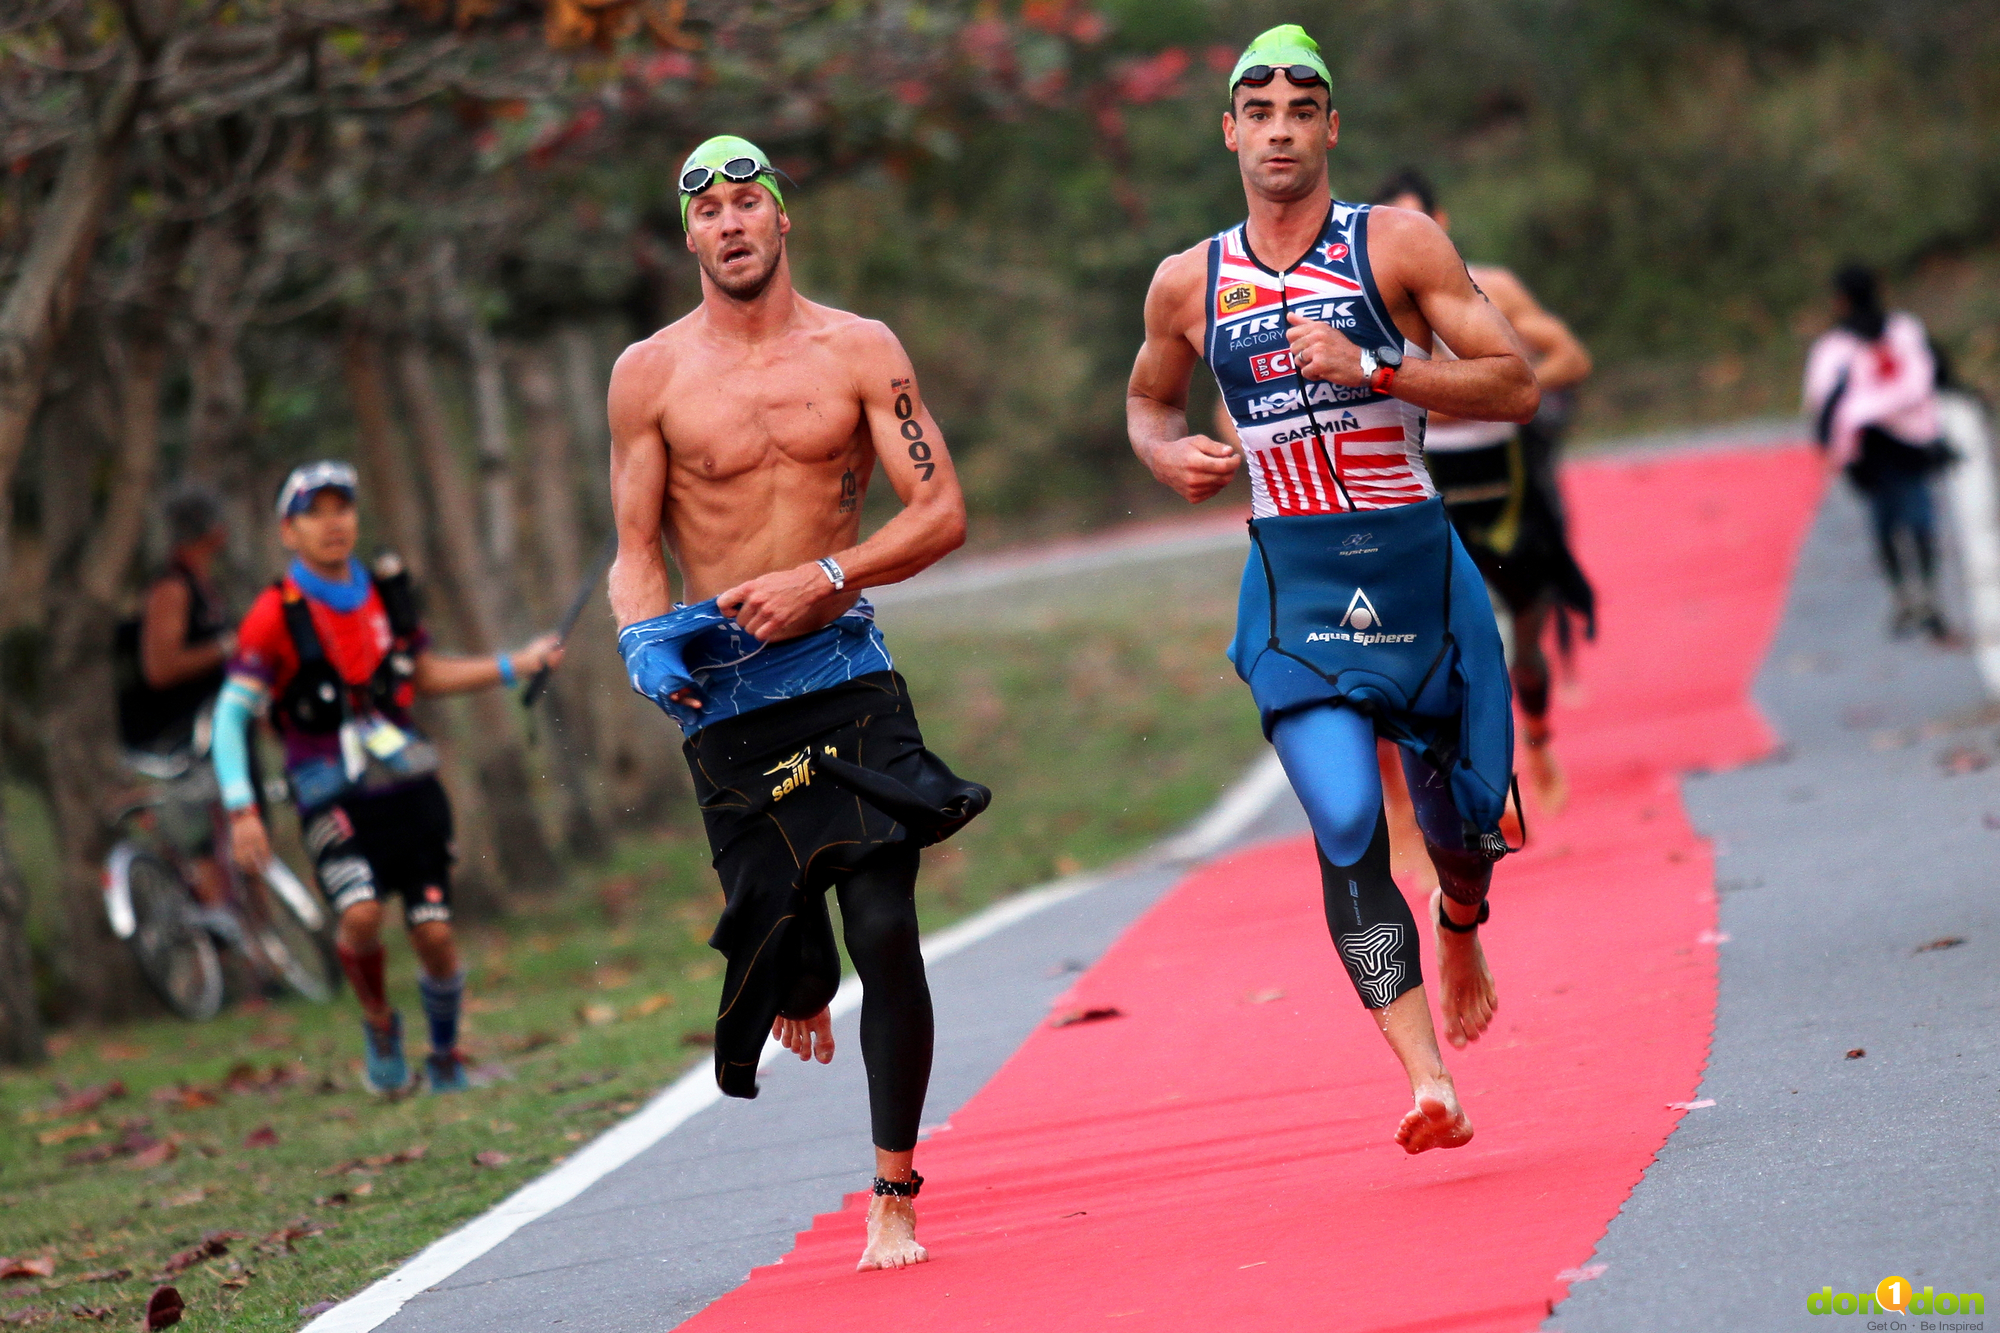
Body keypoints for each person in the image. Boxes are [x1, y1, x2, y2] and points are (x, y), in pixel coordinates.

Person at [1127, 27, 1539, 1153]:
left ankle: (1460, 919)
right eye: (1255, 113)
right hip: (1293, 578)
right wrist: (1165, 454)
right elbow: (1147, 403)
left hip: (1412, 556)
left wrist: (1374, 366)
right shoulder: (1184, 282)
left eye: (1297, 111)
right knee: (1348, 817)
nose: (1276, 131)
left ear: (1328, 128)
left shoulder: (1395, 245)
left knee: (1460, 822)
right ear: (1227, 132)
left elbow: (1513, 385)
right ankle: (1425, 1081)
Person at [608, 136, 987, 1271]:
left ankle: (893, 1189)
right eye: (708, 209)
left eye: (747, 202)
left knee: (883, 928)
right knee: (788, 957)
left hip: (841, 669)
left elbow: (941, 512)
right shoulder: (647, 374)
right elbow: (634, 550)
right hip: (725, 700)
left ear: (783, 221)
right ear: (689, 236)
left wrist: (830, 574)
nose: (729, 223)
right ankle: (795, 966)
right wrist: (637, 640)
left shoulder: (860, 350)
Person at [211, 461, 563, 1094]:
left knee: (432, 931)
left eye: (341, 507)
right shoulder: (271, 615)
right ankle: (379, 1022)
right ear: (288, 531)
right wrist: (241, 810)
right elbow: (230, 715)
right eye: (313, 512)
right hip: (328, 792)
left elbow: (424, 675)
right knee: (363, 912)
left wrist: (517, 664)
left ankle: (447, 1056)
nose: (332, 522)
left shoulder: (384, 594)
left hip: (407, 784)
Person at [1373, 169, 1595, 814]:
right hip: (1429, 485)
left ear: (1441, 223)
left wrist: (1495, 388)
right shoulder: (1368, 304)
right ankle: (1479, 783)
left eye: (1419, 223)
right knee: (1449, 640)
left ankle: (1539, 734)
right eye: (1394, 227)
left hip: (1509, 479)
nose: (1410, 238)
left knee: (1526, 635)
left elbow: (1570, 360)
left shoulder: (1490, 288)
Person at [1804, 265, 1953, 639]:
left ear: (1839, 299)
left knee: (1887, 520)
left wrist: (1831, 444)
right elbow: (1937, 373)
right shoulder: (1904, 330)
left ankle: (1906, 595)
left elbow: (1823, 404)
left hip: (1869, 448)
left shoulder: (1834, 348)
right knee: (1918, 517)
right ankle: (1925, 595)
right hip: (1910, 440)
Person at [117, 485, 236, 764]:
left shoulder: (204, 585)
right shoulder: (171, 589)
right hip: (175, 751)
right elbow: (160, 669)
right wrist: (228, 646)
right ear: (211, 530)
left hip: (211, 738)